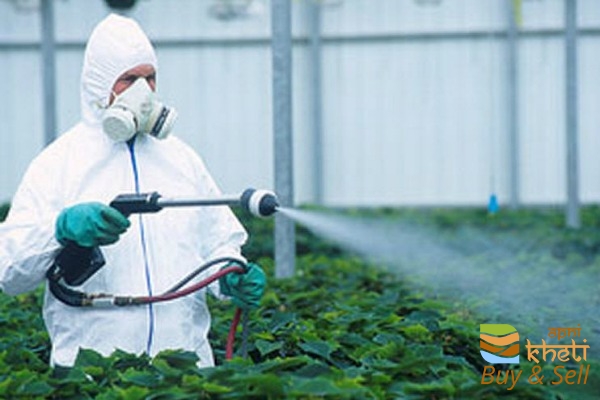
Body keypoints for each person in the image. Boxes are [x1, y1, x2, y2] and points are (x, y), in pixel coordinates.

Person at [0, 13, 265, 368]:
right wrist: (58, 229)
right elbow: (10, 272)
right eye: (129, 79)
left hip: (184, 372)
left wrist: (229, 273)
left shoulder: (181, 159)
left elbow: (217, 240)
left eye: (150, 78)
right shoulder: (59, 163)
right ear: (99, 85)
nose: (144, 91)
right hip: (94, 375)